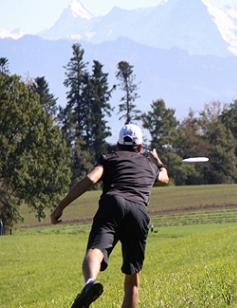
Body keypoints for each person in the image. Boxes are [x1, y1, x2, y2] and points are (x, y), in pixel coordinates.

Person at [50, 124, 169, 308]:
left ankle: (90, 283)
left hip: (113, 204)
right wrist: (157, 160)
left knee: (96, 249)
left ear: (119, 145)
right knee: (133, 280)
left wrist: (60, 207)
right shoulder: (148, 165)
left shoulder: (109, 158)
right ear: (140, 147)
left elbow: (91, 179)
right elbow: (165, 178)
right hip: (139, 211)